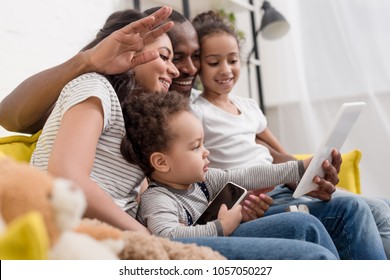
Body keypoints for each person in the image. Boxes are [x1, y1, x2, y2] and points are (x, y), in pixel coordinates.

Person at [1, 7, 340, 260]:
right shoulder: (95, 87)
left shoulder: (140, 120)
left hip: (154, 230)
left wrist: (297, 169)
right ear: (127, 54)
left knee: (307, 227)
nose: (177, 69)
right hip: (98, 236)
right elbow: (66, 176)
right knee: (312, 255)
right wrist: (149, 236)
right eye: (166, 56)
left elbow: (217, 178)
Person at [189, 10, 388, 259]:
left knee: (383, 205)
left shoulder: (248, 106)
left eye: (233, 60)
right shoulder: (197, 112)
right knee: (361, 209)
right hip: (255, 199)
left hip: (281, 186)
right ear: (197, 64)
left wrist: (307, 175)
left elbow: (281, 154)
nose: (226, 70)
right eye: (213, 62)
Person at [121, 90, 314, 238]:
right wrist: (221, 226)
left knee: (304, 220)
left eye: (203, 143)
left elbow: (247, 176)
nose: (206, 151)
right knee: (300, 223)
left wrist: (300, 168)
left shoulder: (204, 182)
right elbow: (167, 235)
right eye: (196, 146)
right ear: (161, 162)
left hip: (219, 242)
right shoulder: (157, 199)